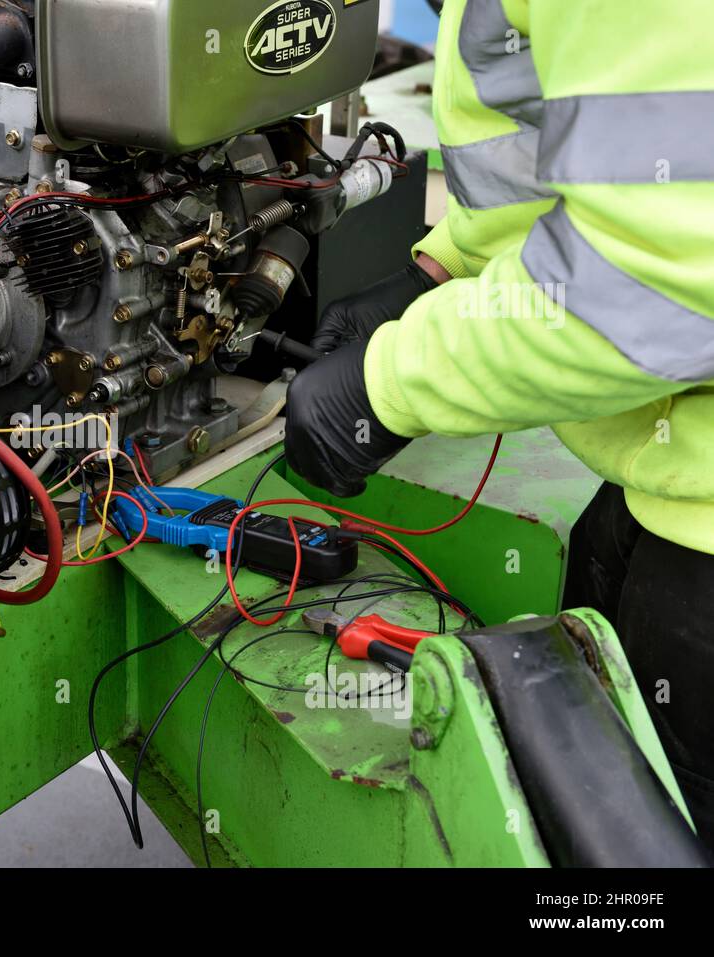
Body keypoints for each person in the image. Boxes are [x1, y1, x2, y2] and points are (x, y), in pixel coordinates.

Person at [283, 0, 714, 845]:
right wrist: (444, 271)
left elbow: (659, 274)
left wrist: (389, 386)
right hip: (664, 478)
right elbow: (574, 150)